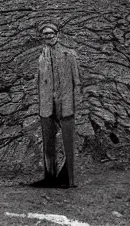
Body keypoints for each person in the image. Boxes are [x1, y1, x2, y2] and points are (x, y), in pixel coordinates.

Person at [31, 22, 81, 188]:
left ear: (57, 34)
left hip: (65, 103)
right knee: (48, 142)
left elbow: (77, 82)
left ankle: (69, 179)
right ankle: (50, 177)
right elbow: (39, 81)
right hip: (47, 105)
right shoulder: (42, 57)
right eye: (45, 35)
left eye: (51, 34)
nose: (49, 37)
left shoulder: (69, 54)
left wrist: (76, 103)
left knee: (68, 141)